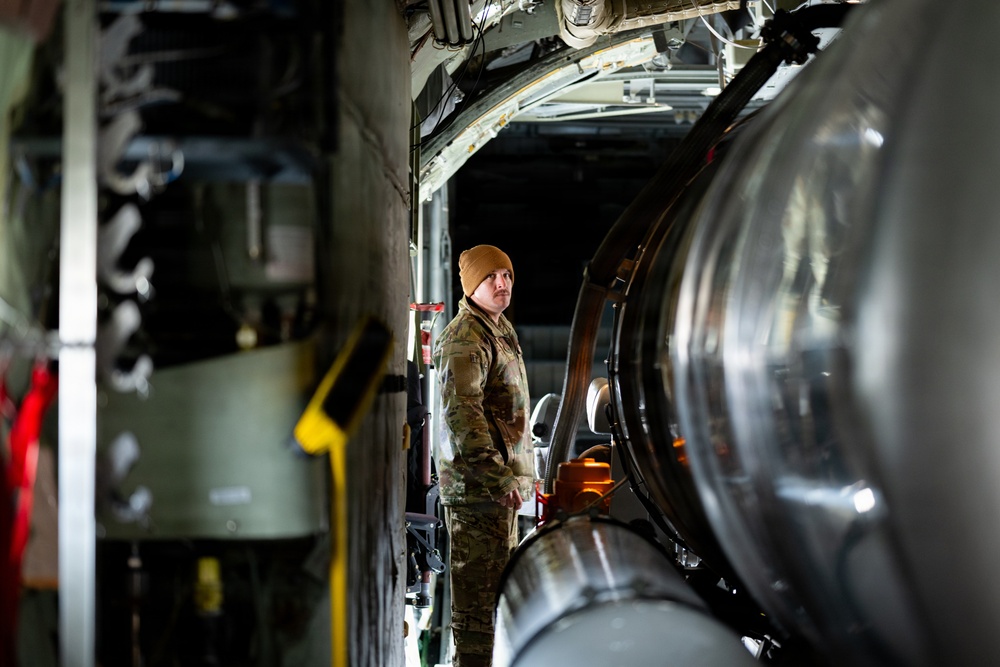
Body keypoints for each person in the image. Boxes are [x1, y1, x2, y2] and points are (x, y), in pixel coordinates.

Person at [433, 244, 533, 667]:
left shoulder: (497, 328)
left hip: (497, 493)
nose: (502, 283)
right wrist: (498, 478)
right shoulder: (465, 337)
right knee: (477, 617)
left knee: (494, 606)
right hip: (480, 494)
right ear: (472, 285)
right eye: (491, 277)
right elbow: (464, 416)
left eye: (507, 275)